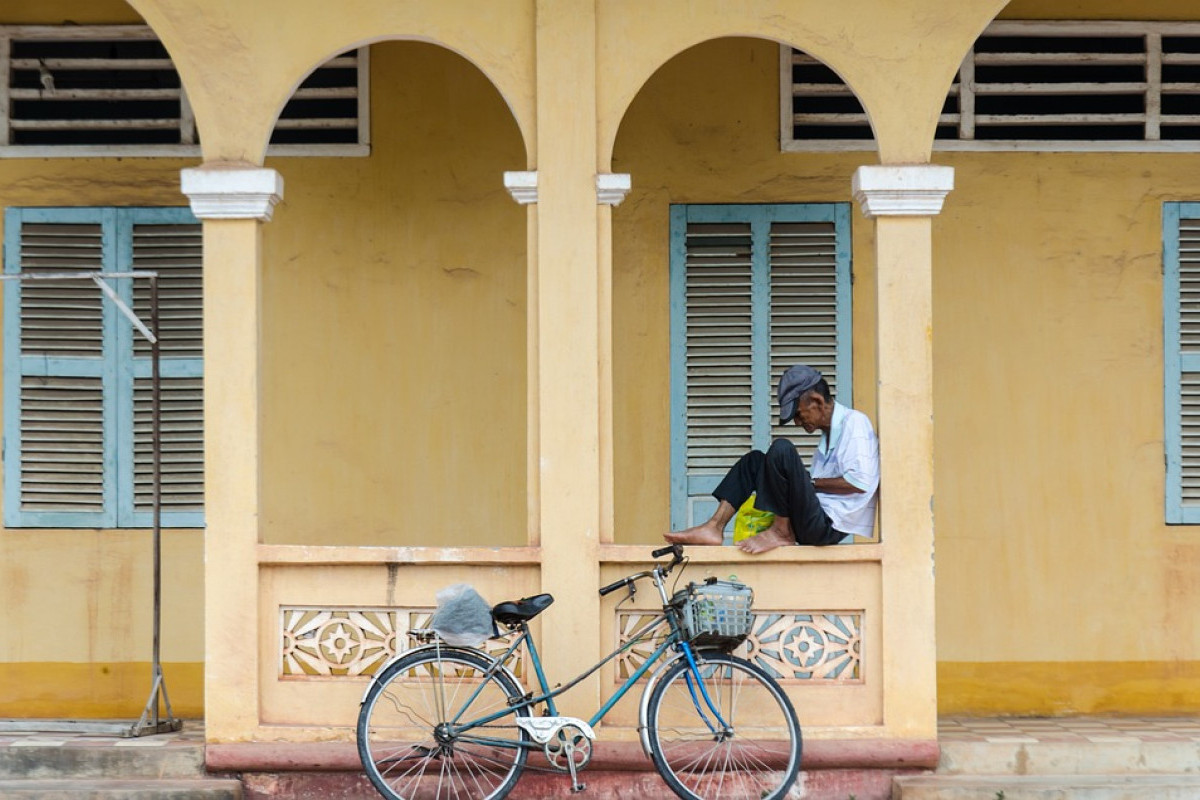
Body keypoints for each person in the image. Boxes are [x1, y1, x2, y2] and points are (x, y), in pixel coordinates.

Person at [665, 364, 879, 554]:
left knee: (782, 449)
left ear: (816, 401)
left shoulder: (854, 423)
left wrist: (808, 483)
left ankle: (780, 532)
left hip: (827, 526)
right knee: (755, 461)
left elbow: (859, 483)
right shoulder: (827, 437)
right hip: (813, 518)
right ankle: (714, 527)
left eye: (798, 414)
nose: (797, 422)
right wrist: (800, 484)